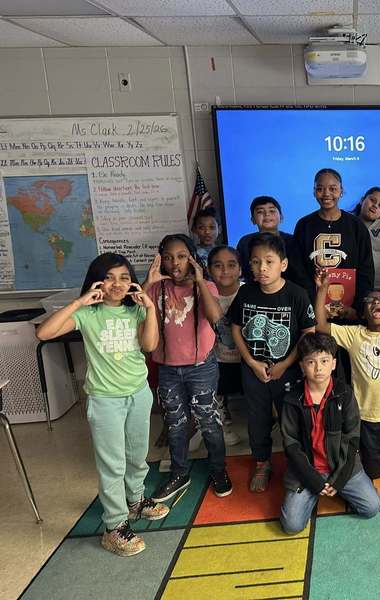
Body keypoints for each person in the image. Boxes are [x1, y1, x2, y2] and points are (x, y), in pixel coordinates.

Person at [37, 253, 168, 556]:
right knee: (112, 464)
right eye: (109, 277)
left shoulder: (135, 311)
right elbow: (44, 333)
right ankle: (114, 526)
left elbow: (150, 345)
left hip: (137, 393)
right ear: (97, 281)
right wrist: (79, 302)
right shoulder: (88, 314)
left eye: (124, 277)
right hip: (104, 399)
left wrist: (148, 307)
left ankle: (135, 501)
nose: (117, 284)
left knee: (137, 454)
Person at [144, 234, 232, 503]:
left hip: (201, 367)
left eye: (182, 256)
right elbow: (135, 309)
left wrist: (199, 280)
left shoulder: (206, 286)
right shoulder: (157, 288)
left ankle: (218, 470)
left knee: (209, 422)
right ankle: (179, 473)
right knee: (175, 424)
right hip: (168, 368)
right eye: (168, 257)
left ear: (192, 258)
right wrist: (149, 281)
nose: (174, 263)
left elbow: (215, 316)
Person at [229, 233, 316, 492]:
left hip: (286, 371)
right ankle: (262, 462)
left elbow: (308, 333)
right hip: (253, 370)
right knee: (257, 418)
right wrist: (252, 363)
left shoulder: (296, 294)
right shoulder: (246, 292)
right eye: (255, 262)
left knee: (291, 417)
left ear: (284, 264)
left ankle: (297, 462)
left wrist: (286, 363)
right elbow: (236, 328)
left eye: (269, 261)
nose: (262, 268)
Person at [315, 268, 380, 479]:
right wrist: (323, 289)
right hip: (368, 415)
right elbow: (321, 325)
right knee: (374, 472)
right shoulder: (354, 335)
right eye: (370, 301)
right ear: (362, 313)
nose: (375, 303)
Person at [279, 333, 380, 534]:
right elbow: (290, 444)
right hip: (306, 471)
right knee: (291, 526)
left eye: (324, 361)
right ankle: (316, 492)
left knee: (371, 507)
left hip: (341, 466)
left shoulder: (344, 393)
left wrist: (339, 479)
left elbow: (352, 438)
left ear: (333, 364)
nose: (318, 368)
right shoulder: (293, 399)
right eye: (311, 362)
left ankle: (335, 489)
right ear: (302, 366)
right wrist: (315, 482)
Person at [293, 168, 375, 320]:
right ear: (314, 192)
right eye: (320, 189)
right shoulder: (304, 225)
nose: (326, 194)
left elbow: (366, 269)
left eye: (333, 189)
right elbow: (299, 270)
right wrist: (314, 304)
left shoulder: (356, 225)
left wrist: (357, 307)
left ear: (341, 191)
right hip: (313, 309)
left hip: (350, 310)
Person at [207, 245, 243, 447]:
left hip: (246, 358)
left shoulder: (248, 290)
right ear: (210, 269)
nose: (225, 271)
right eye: (218, 266)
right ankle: (221, 421)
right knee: (214, 385)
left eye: (231, 265)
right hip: (217, 358)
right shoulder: (205, 292)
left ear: (240, 268)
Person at [236, 196, 304, 286]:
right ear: (253, 220)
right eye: (260, 212)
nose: (267, 214)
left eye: (272, 211)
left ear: (281, 217)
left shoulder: (292, 241)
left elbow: (299, 274)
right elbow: (241, 272)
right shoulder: (245, 242)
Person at [352, 186, 380, 292]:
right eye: (372, 200)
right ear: (362, 200)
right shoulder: (348, 223)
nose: (375, 206)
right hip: (352, 286)